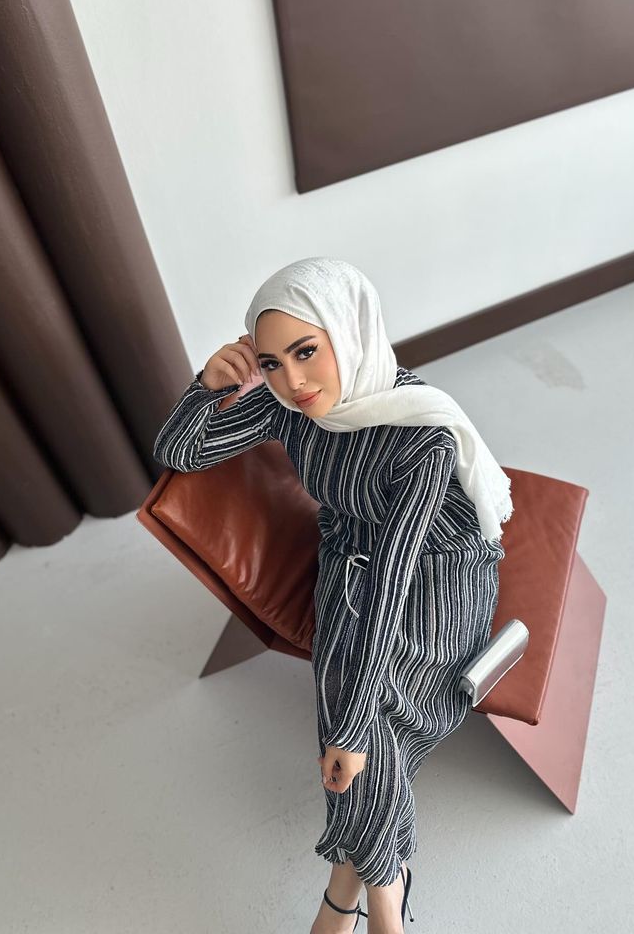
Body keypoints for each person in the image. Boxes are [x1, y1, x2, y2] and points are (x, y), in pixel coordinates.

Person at [152, 257, 513, 934]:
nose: (292, 379)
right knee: (355, 716)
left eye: (306, 352)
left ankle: (351, 894)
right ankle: (383, 896)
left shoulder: (423, 438)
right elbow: (180, 450)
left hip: (440, 575)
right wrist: (206, 387)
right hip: (350, 552)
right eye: (272, 361)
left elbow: (394, 580)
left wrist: (348, 728)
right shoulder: (292, 404)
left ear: (346, 333)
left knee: (363, 720)